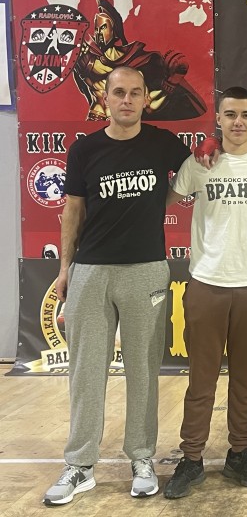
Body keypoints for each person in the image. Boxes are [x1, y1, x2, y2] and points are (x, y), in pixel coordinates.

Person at [43, 66, 192, 505]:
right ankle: (80, 465)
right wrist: (66, 268)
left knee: (143, 369)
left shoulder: (164, 143)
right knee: (86, 370)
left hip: (146, 269)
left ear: (146, 99)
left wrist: (159, 203)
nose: (127, 100)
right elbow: (73, 210)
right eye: (119, 92)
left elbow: (195, 177)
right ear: (105, 98)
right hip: (91, 270)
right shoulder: (84, 149)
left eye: (135, 93)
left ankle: (142, 458)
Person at [162, 87, 247, 498]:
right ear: (218, 118)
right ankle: (191, 457)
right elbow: (162, 202)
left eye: (246, 115)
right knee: (201, 380)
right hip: (207, 282)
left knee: (246, 379)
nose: (238, 122)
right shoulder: (200, 163)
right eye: (230, 114)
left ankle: (240, 453)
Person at [73, 0, 206, 121]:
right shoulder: (88, 61)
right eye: (97, 28)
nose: (99, 33)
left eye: (103, 27)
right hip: (97, 117)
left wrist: (170, 84)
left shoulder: (138, 62)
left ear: (114, 29)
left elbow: (150, 105)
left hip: (125, 123)